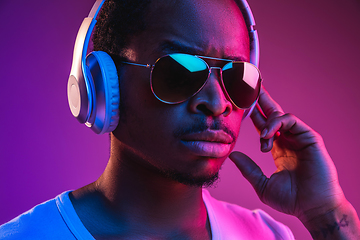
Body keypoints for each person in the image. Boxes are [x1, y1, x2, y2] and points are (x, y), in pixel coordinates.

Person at [1, 0, 359, 239]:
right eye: (180, 71)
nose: (218, 103)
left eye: (237, 76)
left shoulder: (266, 234)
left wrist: (325, 212)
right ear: (101, 83)